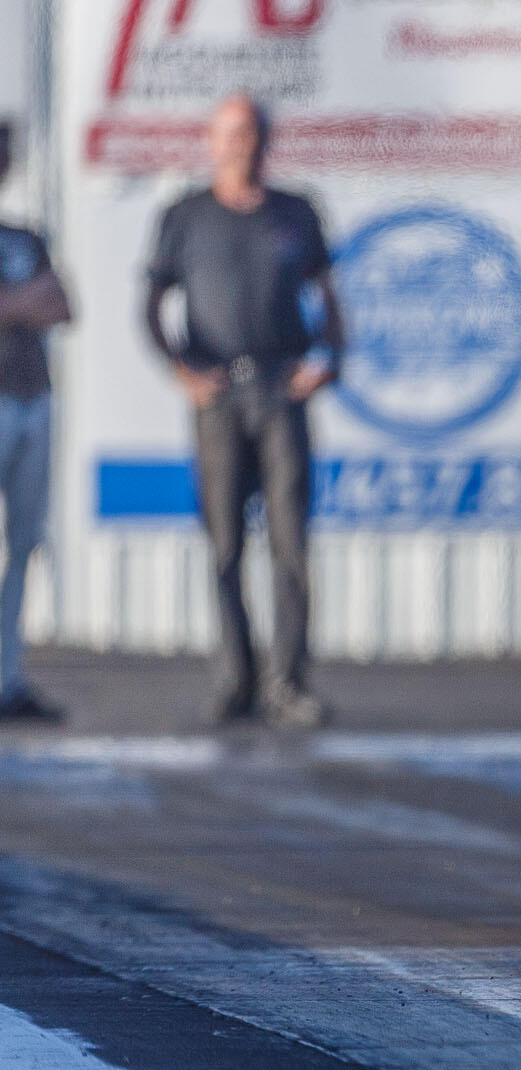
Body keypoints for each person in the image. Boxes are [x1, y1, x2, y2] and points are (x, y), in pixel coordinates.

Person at [143, 94, 342, 728]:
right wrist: (181, 370)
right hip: (220, 397)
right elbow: (150, 303)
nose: (241, 146)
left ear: (265, 142)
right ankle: (238, 679)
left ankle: (289, 682)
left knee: (289, 544)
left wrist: (331, 358)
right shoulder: (185, 215)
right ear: (212, 141)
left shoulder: (296, 212)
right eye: (230, 135)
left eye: (251, 135)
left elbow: (329, 297)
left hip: (280, 393)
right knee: (225, 543)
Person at [0, 122, 72, 722]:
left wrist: (15, 304)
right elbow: (37, 302)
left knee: (21, 544)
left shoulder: (25, 237)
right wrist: (24, 302)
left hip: (31, 399)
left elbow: (64, 305)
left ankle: (8, 677)